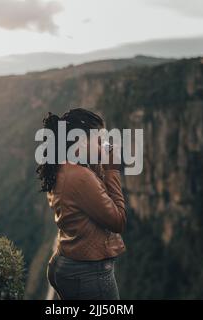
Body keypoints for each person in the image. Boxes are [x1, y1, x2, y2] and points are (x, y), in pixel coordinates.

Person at [37, 108, 127, 300]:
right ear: (82, 141)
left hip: (66, 264)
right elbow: (118, 222)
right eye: (99, 139)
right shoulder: (81, 177)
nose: (104, 144)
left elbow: (90, 195)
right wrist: (112, 170)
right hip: (88, 274)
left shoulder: (63, 166)